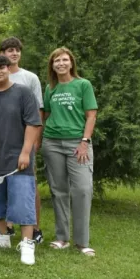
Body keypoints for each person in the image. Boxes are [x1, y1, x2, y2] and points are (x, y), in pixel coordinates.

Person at [0, 54, 42, 265]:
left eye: (1, 67)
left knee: (23, 199)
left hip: (18, 157)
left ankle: (26, 242)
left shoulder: (24, 93)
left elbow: (33, 124)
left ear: (8, 68)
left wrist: (26, 152)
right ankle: (2, 236)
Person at [42, 47, 97, 257]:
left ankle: (82, 242)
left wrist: (84, 141)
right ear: (52, 65)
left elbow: (91, 115)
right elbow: (45, 114)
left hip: (78, 144)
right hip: (53, 143)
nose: (61, 64)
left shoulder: (83, 85)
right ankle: (62, 238)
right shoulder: (50, 88)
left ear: (71, 63)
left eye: (65, 60)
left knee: (83, 189)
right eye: (57, 61)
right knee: (59, 191)